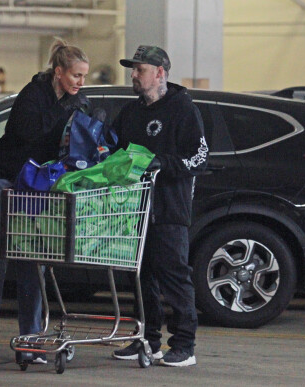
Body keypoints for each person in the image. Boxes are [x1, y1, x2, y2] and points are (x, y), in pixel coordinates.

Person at [0, 38, 90, 363]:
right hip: (4, 180)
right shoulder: (33, 95)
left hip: (35, 188)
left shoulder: (75, 100)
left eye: (84, 77)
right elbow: (28, 134)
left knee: (33, 264)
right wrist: (65, 114)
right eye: (76, 75)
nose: (81, 82)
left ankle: (31, 340)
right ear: (59, 71)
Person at [111, 45, 208, 367]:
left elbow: (198, 157)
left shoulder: (182, 109)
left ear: (160, 73)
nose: (133, 75)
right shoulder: (131, 112)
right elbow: (116, 150)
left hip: (168, 210)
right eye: (133, 69)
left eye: (139, 69)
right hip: (134, 211)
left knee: (174, 276)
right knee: (140, 278)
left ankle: (184, 345)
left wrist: (160, 164)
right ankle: (146, 340)